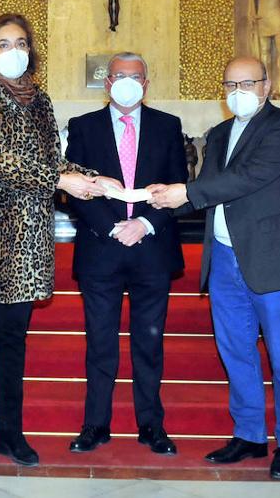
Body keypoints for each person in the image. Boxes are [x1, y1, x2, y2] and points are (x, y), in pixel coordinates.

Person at [0, 13, 118, 468]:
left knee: (14, 339)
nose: (14, 51)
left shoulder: (39, 99)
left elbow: (52, 159)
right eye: (4, 44)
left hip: (27, 237)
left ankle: (10, 432)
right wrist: (63, 180)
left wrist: (92, 178)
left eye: (21, 43)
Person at [148, 56, 280, 480]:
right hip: (223, 256)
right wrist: (156, 197)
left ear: (266, 86)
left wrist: (186, 192)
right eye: (231, 85)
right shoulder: (218, 134)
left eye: (248, 83)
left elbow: (249, 177)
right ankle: (250, 434)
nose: (239, 92)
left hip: (270, 256)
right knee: (235, 350)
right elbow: (207, 188)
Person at [63, 52, 188, 456]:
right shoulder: (83, 126)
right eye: (119, 75)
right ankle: (95, 424)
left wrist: (145, 223)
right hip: (102, 247)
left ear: (146, 84)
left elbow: (180, 186)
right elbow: (75, 188)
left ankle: (151, 425)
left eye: (135, 76)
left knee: (149, 343)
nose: (127, 82)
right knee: (100, 342)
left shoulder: (168, 126)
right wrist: (112, 226)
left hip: (152, 247)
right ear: (107, 82)